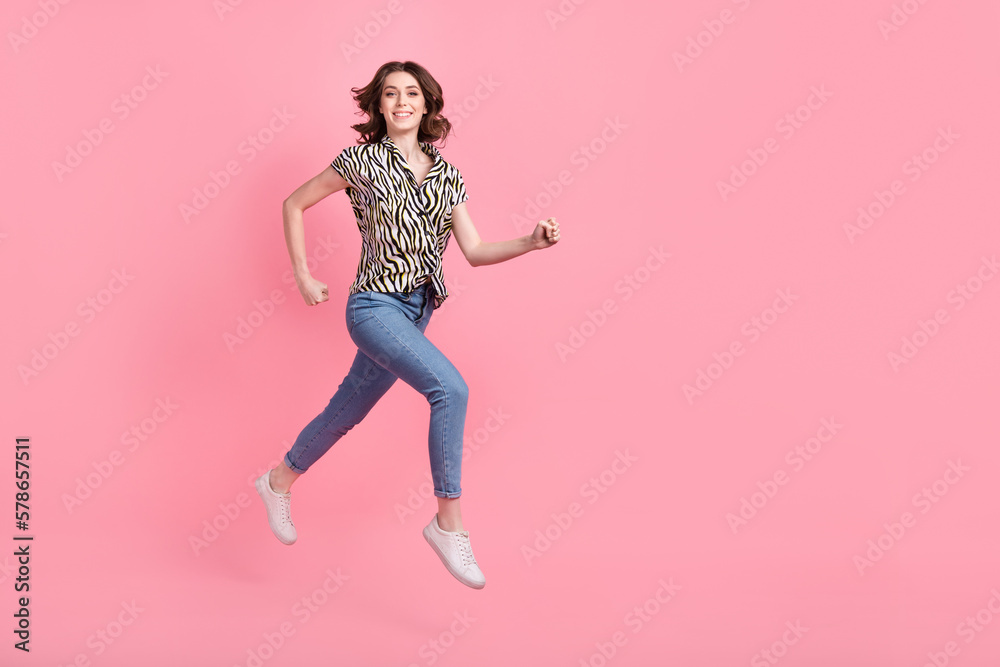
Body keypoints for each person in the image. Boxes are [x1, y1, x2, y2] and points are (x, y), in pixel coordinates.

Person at [255, 60, 561, 589]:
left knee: (345, 410)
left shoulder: (448, 175)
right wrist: (304, 275)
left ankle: (278, 480)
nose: (401, 102)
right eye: (390, 94)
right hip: (373, 307)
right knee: (451, 389)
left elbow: (476, 250)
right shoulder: (361, 161)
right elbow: (293, 202)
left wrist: (530, 242)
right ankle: (449, 523)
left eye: (411, 94)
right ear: (378, 106)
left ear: (427, 105)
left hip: (417, 312)